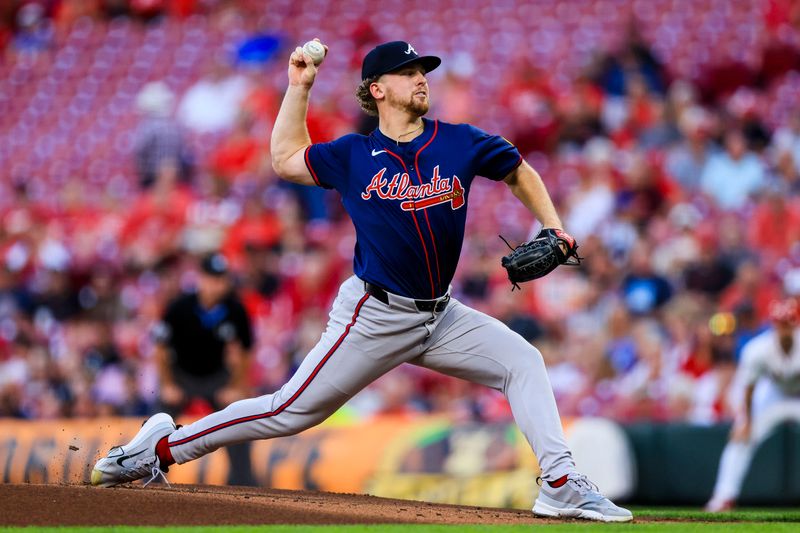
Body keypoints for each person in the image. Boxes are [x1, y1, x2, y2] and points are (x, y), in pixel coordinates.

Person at [92, 40, 632, 522]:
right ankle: (158, 451)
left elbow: (517, 168)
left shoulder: (459, 142)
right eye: (407, 71)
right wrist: (299, 86)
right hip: (374, 313)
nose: (421, 78)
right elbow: (283, 159)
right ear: (377, 89)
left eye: (424, 70)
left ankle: (560, 484)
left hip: (441, 315)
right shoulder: (353, 155)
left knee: (523, 362)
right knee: (286, 411)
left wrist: (554, 226)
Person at [152, 252, 256, 486]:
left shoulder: (235, 309)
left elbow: (246, 352)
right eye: (211, 278)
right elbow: (159, 348)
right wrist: (168, 384)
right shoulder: (180, 307)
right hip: (182, 376)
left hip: (217, 377)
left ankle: (243, 483)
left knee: (239, 421)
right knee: (158, 423)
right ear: (200, 278)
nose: (216, 285)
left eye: (221, 279)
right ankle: (151, 478)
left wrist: (236, 387)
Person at [705, 298, 800, 512]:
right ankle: (723, 496)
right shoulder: (758, 348)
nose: (784, 329)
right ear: (773, 324)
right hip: (773, 396)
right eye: (780, 323)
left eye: (789, 323)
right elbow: (749, 389)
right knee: (740, 437)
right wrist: (746, 421)